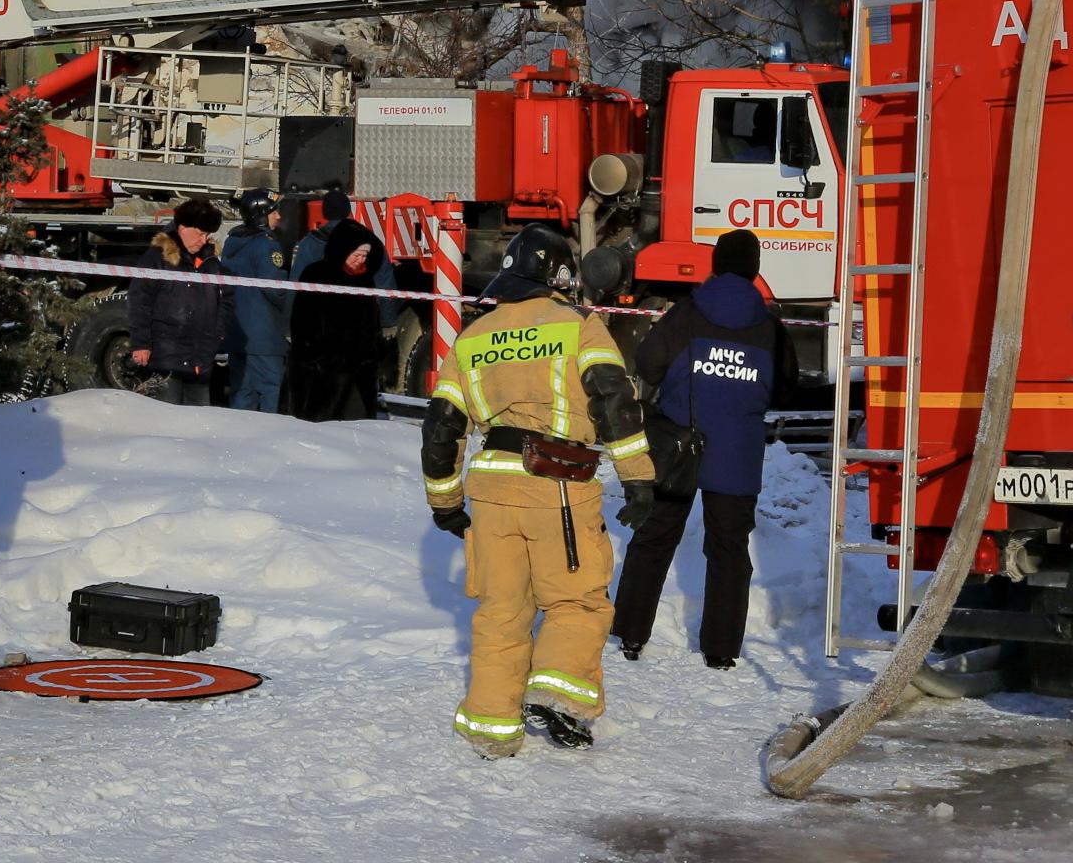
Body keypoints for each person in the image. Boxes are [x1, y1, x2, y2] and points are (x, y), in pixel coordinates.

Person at [421, 226, 657, 758]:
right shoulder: (580, 326)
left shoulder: (473, 336)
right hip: (558, 485)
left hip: (490, 488)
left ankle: (491, 732)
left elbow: (440, 427)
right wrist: (638, 478)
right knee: (577, 602)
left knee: (502, 611)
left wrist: (445, 501)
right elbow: (615, 402)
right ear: (563, 277)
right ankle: (555, 693)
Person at [610, 228, 794, 670]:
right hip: (737, 453)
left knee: (654, 538)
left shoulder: (687, 313)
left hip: (678, 448)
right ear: (754, 270)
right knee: (729, 551)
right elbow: (788, 388)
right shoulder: (770, 326)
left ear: (716, 266)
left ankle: (630, 635)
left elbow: (648, 362)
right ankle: (720, 650)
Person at [127, 197, 228, 405]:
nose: (204, 239)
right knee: (166, 423)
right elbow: (140, 302)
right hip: (165, 360)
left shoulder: (210, 263)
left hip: (200, 360)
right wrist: (141, 343)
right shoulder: (156, 259)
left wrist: (217, 333)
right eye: (200, 233)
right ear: (183, 228)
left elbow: (227, 299)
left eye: (207, 235)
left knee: (199, 424)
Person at [289, 214, 389, 421]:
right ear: (343, 250)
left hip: (359, 373)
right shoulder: (316, 274)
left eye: (364, 256)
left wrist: (371, 354)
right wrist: (314, 355)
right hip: (321, 371)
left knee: (357, 427)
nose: (360, 260)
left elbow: (371, 321)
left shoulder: (365, 279)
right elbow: (301, 319)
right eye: (356, 254)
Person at [219, 188, 291, 412]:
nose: (278, 216)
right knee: (273, 393)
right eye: (273, 212)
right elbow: (276, 290)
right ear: (260, 214)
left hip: (239, 336)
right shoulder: (266, 245)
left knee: (242, 395)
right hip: (264, 339)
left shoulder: (233, 242)